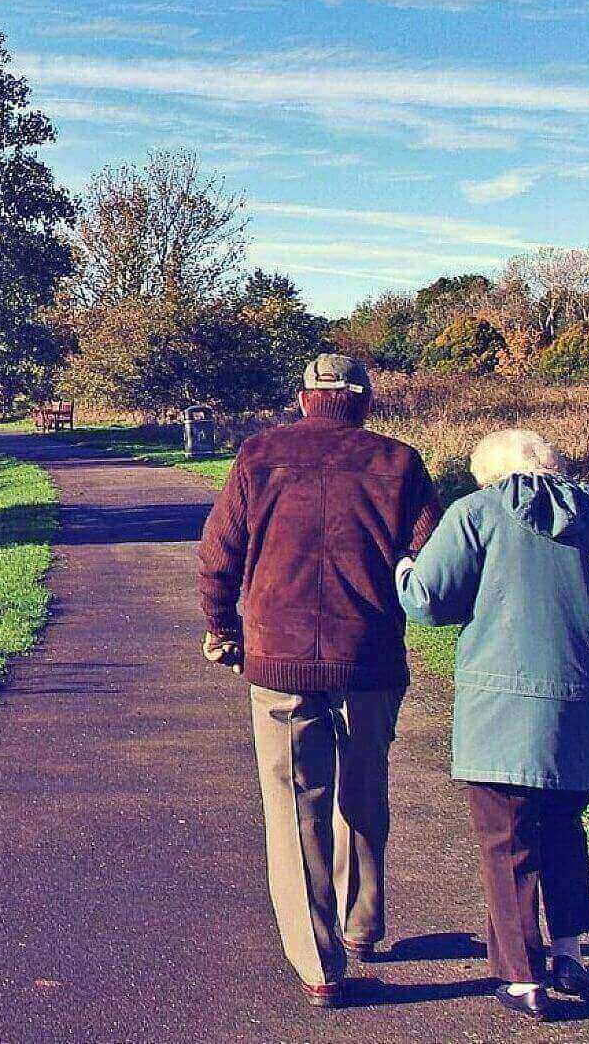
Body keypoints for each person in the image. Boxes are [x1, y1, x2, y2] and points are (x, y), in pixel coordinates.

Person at [396, 429, 589, 1022]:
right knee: (562, 827)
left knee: (507, 841)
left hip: (498, 715)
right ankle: (570, 953)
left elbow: (427, 600)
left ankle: (523, 977)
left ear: (491, 476)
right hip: (582, 714)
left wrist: (402, 566)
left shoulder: (476, 515)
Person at [197, 354, 443, 1008]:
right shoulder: (399, 462)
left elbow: (217, 552)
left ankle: (318, 963)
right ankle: (362, 922)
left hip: (278, 657)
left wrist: (223, 628)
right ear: (364, 399)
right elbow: (431, 560)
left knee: (293, 806)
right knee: (364, 789)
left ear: (304, 398)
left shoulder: (259, 454)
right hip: (369, 657)